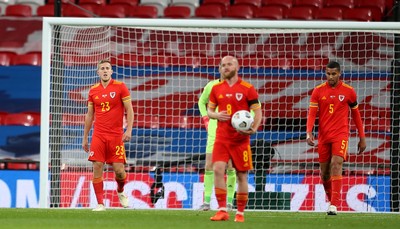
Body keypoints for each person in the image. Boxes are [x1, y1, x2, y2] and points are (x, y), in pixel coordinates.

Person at [306, 61, 366, 215]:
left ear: (339, 74)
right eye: (328, 73)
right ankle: (331, 200)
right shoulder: (318, 91)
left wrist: (362, 137)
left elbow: (356, 115)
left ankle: (334, 204)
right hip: (324, 136)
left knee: (336, 163)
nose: (330, 77)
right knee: (324, 173)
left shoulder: (349, 91)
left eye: (333, 74)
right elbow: (312, 113)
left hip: (341, 134)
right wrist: (309, 131)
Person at [207, 56, 262, 223]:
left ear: (237, 67)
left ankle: (240, 213)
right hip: (222, 138)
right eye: (223, 65)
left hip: (240, 140)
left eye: (229, 64)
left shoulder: (248, 88)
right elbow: (209, 111)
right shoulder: (216, 89)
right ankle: (222, 210)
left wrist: (254, 128)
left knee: (241, 175)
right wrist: (216, 115)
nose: (225, 67)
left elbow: (258, 112)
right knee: (217, 169)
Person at [82, 59, 134, 211]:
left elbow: (129, 110)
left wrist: (129, 130)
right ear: (98, 72)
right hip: (98, 134)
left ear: (111, 71)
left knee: (119, 170)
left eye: (107, 68)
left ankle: (120, 190)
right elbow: (89, 115)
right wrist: (85, 137)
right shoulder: (93, 90)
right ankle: (100, 204)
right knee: (97, 165)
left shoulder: (120, 87)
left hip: (116, 135)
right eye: (102, 69)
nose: (105, 71)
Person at [197, 77, 237, 211]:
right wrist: (205, 118)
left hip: (232, 132)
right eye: (223, 66)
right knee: (209, 166)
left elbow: (255, 105)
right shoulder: (212, 85)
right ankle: (206, 202)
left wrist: (247, 122)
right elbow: (201, 102)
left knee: (231, 167)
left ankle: (230, 203)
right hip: (214, 132)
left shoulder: (240, 87)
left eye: (229, 65)